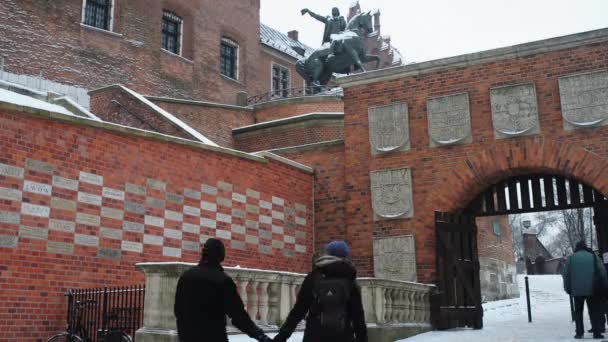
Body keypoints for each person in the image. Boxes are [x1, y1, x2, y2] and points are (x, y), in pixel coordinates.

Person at [174, 238, 272, 342]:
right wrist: (261, 336)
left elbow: (178, 311)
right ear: (221, 256)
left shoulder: (186, 277)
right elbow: (239, 317)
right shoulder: (223, 281)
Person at [273, 240, 367, 342]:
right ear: (346, 256)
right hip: (343, 336)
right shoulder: (349, 278)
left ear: (327, 254)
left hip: (314, 336)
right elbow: (358, 316)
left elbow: (298, 311)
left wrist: (281, 337)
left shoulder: (313, 276)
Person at [563, 241, 608, 339]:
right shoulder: (593, 256)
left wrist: (567, 288)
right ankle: (596, 332)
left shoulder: (571, 258)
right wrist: (604, 285)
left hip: (576, 290)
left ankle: (579, 333)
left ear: (577, 248)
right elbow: (602, 272)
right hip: (592, 288)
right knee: (594, 311)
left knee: (578, 311)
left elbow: (566, 274)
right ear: (585, 247)